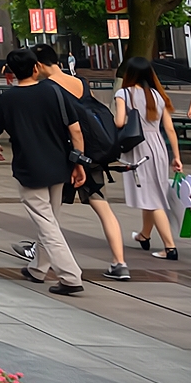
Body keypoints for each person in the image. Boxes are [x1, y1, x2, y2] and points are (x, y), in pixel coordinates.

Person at [0, 47, 88, 295]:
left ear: (11, 72)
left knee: (46, 224)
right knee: (50, 219)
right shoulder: (53, 91)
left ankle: (71, 276)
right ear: (36, 68)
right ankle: (38, 268)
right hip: (58, 165)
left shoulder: (7, 99)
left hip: (29, 168)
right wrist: (79, 162)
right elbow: (75, 130)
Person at [31, 57, 131, 280]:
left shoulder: (47, 88)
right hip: (92, 155)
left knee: (48, 210)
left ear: (38, 65)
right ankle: (119, 262)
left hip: (66, 154)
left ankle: (41, 258)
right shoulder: (81, 82)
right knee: (102, 207)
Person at [115, 56, 183, 261]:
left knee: (153, 199)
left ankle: (170, 247)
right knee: (152, 192)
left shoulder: (123, 93)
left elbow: (119, 122)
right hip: (158, 147)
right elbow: (169, 129)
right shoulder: (158, 95)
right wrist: (177, 157)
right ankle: (144, 235)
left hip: (139, 148)